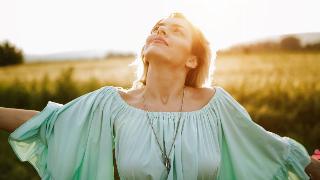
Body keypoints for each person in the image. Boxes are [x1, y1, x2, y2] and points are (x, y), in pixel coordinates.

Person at [0, 12, 319, 180]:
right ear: (144, 49)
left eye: (175, 30)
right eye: (157, 27)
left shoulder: (216, 105)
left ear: (192, 60)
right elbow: (52, 123)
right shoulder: (113, 105)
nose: (161, 30)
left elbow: (271, 150)